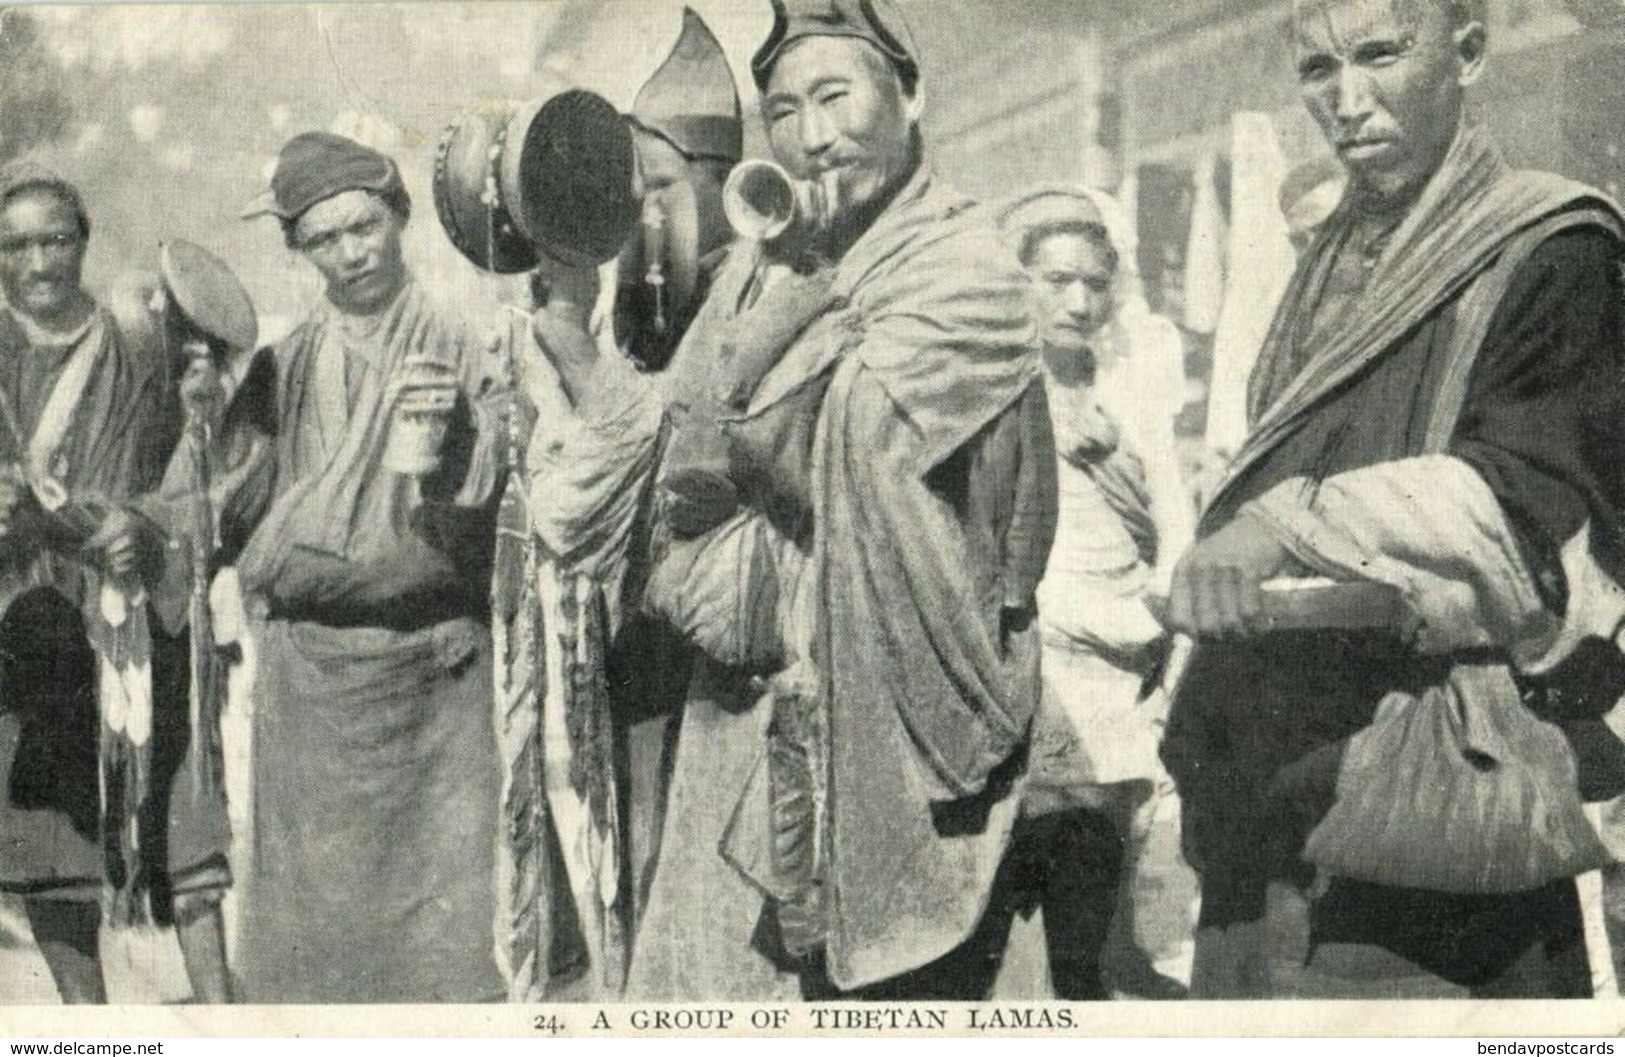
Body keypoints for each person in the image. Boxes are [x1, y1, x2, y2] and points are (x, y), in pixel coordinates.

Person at [520, 0, 1056, 1000]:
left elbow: (809, 455)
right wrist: (577, 349)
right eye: (783, 110)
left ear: (909, 95)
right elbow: (674, 452)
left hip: (898, 735)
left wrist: (793, 307)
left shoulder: (963, 275)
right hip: (742, 725)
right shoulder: (769, 267)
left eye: (833, 96)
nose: (811, 135)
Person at [1161, 0, 1625, 998]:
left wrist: (1272, 529)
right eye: (1317, 70)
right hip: (1271, 764)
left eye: (1379, 55)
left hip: (1423, 787)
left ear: (1465, 52)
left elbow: (1523, 501)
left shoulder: (1549, 242)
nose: (1346, 101)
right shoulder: (1333, 250)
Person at [135, 132, 508, 1002]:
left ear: (399, 217)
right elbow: (214, 506)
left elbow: (489, 505)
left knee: (440, 949)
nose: (350, 254)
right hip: (314, 697)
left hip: (433, 685)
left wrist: (455, 441)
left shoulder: (464, 347)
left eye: (364, 227)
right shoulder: (283, 367)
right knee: (313, 953)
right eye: (324, 239)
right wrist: (196, 421)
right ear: (299, 251)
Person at [499, 8, 748, 998]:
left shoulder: (758, 292)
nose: (642, 216)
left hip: (731, 674)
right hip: (648, 663)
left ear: (720, 181)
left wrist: (579, 362)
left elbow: (686, 457)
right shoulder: (656, 304)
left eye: (657, 187)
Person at [0, 167, 232, 1003]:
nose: (37, 261)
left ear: (84, 240)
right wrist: (67, 529)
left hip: (138, 615)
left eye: (55, 239)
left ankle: (225, 1019)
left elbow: (193, 477)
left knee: (181, 833)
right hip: (31, 628)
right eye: (16, 243)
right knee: (54, 854)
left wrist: (143, 525)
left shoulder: (142, 344)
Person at [993, 186, 1198, 1000]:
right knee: (1031, 902)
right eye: (1055, 280)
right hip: (1040, 674)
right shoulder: (996, 394)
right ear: (1020, 284)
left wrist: (1166, 639)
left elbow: (1175, 529)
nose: (1078, 301)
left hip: (1127, 674)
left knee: (1103, 885)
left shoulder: (1133, 398)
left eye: (1093, 281)